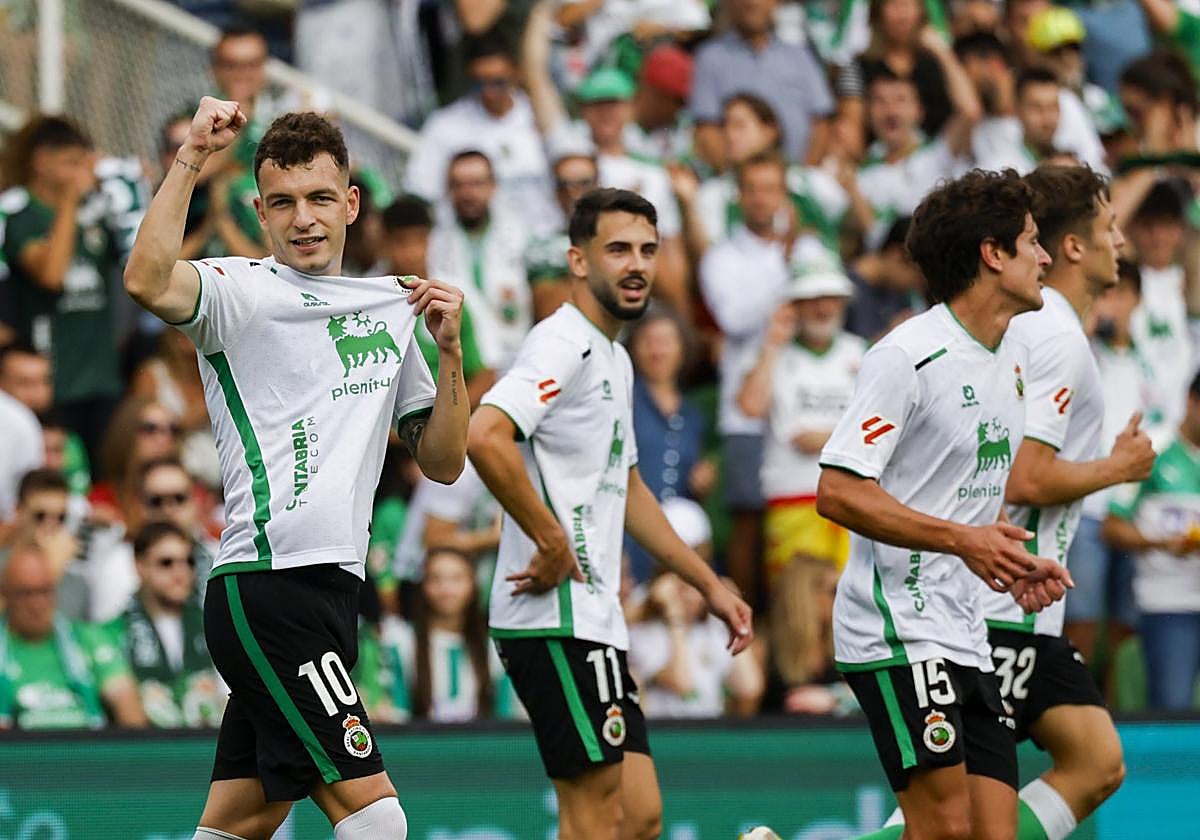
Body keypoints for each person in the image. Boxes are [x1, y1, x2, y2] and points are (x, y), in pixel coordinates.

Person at [124, 97, 469, 840]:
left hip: (333, 592)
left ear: (350, 204)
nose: (303, 218)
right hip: (267, 586)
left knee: (241, 821)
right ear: (259, 212)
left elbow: (442, 462)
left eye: (319, 198)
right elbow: (147, 279)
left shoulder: (392, 309)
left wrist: (451, 357)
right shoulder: (239, 292)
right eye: (282, 203)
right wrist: (191, 154)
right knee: (377, 818)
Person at [754, 170, 1070, 840]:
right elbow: (837, 491)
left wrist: (1013, 556)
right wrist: (964, 540)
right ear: (993, 253)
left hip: (965, 625)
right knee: (945, 829)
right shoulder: (907, 356)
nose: (1046, 257)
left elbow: (959, 496)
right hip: (894, 626)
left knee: (994, 833)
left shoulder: (1013, 354)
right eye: (1033, 242)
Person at [467, 188, 753, 840]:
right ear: (577, 259)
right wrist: (550, 537)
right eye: (618, 248)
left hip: (595, 614)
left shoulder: (615, 356)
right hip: (552, 615)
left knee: (641, 816)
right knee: (596, 818)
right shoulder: (562, 343)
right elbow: (486, 433)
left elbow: (626, 490)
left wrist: (708, 583)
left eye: (648, 250)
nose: (637, 265)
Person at [956, 165, 1147, 840]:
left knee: (1096, 760)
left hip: (1023, 601)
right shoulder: (1057, 337)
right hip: (1001, 601)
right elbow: (1026, 479)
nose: (1119, 242)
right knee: (965, 817)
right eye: (1108, 227)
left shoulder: (1040, 327)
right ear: (1073, 246)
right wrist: (1116, 468)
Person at [698, 152, 797, 604]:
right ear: (740, 196)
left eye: (770, 188)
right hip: (746, 409)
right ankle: (749, 617)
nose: (762, 199)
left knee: (798, 510)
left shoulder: (802, 249)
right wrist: (785, 269)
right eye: (753, 189)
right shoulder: (722, 257)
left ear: (783, 193)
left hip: (802, 399)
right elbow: (734, 318)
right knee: (747, 517)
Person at [0, 116, 128, 462]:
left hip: (102, 377)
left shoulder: (96, 211)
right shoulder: (22, 215)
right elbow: (52, 276)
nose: (80, 172)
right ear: (41, 162)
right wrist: (70, 200)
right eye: (71, 163)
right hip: (55, 379)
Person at [737, 243, 865, 585]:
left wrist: (827, 439)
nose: (823, 306)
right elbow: (749, 407)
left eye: (830, 296)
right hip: (791, 500)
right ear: (794, 304)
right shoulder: (772, 353)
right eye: (812, 298)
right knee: (795, 614)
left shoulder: (861, 352)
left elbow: (883, 426)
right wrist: (772, 344)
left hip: (855, 505)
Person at [1068, 261, 1160, 685]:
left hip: (1136, 507)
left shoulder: (1152, 363)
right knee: (1081, 621)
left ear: (1137, 300)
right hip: (1087, 504)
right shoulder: (1081, 352)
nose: (1113, 304)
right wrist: (1088, 327)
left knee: (1127, 624)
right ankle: (1071, 708)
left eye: (1122, 294)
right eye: (1106, 294)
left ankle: (1107, 713)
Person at [1103, 372, 1200, 711]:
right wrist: (1162, 543)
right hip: (1168, 604)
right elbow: (1112, 526)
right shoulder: (1154, 450)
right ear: (1191, 401)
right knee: (1173, 707)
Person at [404, 33, 557, 235]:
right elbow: (421, 191)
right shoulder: (444, 125)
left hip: (543, 239)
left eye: (498, 82)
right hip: (473, 245)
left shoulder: (540, 116)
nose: (489, 92)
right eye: (479, 83)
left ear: (516, 73)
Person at [851, 33, 981, 251]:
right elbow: (876, 239)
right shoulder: (861, 173)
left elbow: (969, 111)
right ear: (868, 114)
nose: (891, 111)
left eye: (900, 100)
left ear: (919, 111)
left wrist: (942, 52)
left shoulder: (938, 153)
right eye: (880, 101)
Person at [0, 544, 146, 729]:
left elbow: (126, 703)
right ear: (5, 594)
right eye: (26, 594)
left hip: (88, 753)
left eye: (45, 591)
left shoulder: (87, 638)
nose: (37, 604)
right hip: (17, 755)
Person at [102, 521, 225, 728]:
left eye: (188, 562)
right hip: (149, 749)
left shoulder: (212, 625)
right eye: (166, 563)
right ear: (139, 566)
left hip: (207, 743)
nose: (181, 572)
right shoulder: (116, 630)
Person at [625, 306, 715, 582]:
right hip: (629, 540)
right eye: (648, 342)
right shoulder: (624, 401)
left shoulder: (693, 415)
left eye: (665, 342)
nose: (657, 351)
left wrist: (703, 479)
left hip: (677, 542)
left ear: (682, 348)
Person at [376, 547, 517, 722]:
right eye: (436, 579)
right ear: (423, 586)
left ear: (473, 585)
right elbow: (398, 713)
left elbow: (505, 719)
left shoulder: (494, 648)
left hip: (483, 746)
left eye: (456, 579)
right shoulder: (401, 641)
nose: (446, 590)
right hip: (419, 745)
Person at [378, 194, 494, 406]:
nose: (412, 253)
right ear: (384, 240)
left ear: (430, 239)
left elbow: (484, 375)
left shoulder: (455, 296)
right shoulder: (369, 298)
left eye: (419, 240)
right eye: (401, 242)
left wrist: (444, 421)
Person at [690, 0, 835, 167]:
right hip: (739, 186)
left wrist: (800, 179)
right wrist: (740, 184)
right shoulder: (710, 58)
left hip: (795, 182)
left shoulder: (800, 56)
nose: (752, 3)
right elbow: (706, 128)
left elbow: (821, 122)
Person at [427, 150, 532, 372]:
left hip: (519, 361)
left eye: (476, 184)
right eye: (458, 185)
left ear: (493, 186)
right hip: (465, 366)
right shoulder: (432, 242)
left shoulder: (521, 236)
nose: (467, 193)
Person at [524, 151, 600, 322]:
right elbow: (551, 314)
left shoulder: (624, 238)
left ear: (599, 186)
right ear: (556, 193)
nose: (574, 193)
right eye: (564, 185)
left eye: (584, 183)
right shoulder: (542, 249)